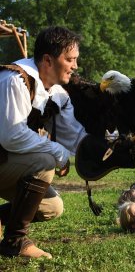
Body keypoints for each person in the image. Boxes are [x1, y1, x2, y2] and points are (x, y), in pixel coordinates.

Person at [0, 26, 88, 259]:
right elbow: (12, 136)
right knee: (44, 160)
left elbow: (75, 137)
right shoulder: (14, 80)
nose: (75, 66)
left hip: (6, 163)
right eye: (70, 59)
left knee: (52, 207)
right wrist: (57, 151)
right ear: (48, 60)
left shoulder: (58, 94)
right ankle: (15, 241)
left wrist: (108, 148)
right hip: (3, 157)